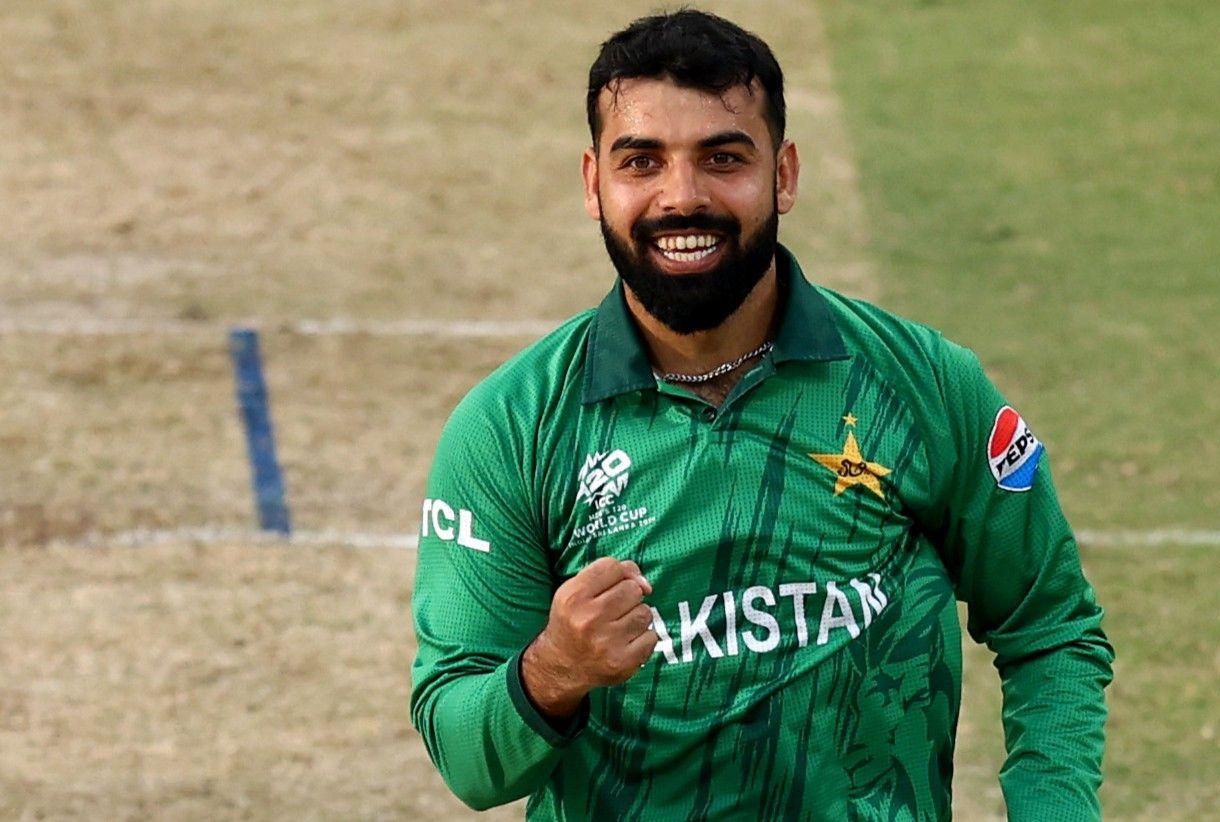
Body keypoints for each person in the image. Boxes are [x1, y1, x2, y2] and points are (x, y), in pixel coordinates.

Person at [410, 9, 1113, 820]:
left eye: (723, 158)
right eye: (642, 161)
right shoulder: (510, 427)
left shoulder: (924, 383)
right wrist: (553, 671)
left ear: (783, 175)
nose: (682, 197)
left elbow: (1051, 629)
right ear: (594, 184)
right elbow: (466, 759)